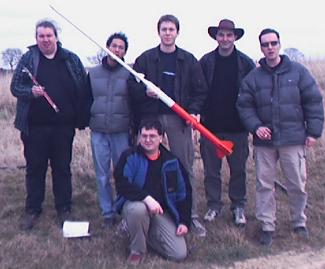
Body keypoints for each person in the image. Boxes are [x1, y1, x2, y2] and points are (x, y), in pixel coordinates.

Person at [237, 28, 324, 246]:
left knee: (296, 183)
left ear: (279, 44)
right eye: (265, 45)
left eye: (273, 43)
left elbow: (313, 101)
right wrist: (256, 127)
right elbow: (244, 106)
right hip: (264, 142)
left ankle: (298, 221)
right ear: (261, 48)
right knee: (264, 184)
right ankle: (267, 225)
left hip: (293, 139)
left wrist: (313, 132)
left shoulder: (298, 72)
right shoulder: (253, 77)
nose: (270, 48)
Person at [127, 14, 208, 237]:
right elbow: (131, 88)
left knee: (184, 167)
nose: (168, 33)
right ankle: (133, 219)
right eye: (164, 29)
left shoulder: (189, 60)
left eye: (171, 29)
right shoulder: (145, 59)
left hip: (178, 120)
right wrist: (144, 92)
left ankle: (189, 217)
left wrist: (192, 111)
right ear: (158, 31)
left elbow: (199, 90)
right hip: (150, 120)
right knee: (141, 167)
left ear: (177, 32)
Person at [10, 19, 91, 230]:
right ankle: (33, 209)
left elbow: (83, 88)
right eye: (41, 36)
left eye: (49, 35)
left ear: (56, 36)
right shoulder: (29, 58)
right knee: (35, 169)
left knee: (62, 168)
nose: (45, 40)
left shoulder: (71, 59)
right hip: (34, 127)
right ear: (36, 38)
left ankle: (64, 208)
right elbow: (15, 87)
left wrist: (80, 117)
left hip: (63, 127)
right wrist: (31, 92)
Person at [199, 19, 255, 226]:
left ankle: (238, 206)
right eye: (221, 35)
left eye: (229, 35)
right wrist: (198, 114)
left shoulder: (246, 63)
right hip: (210, 128)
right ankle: (214, 205)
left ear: (235, 37)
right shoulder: (205, 62)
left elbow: (253, 94)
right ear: (216, 37)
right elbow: (198, 90)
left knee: (238, 170)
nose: (225, 38)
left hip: (238, 128)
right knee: (211, 171)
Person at [114, 119, 191, 266]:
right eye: (144, 136)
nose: (147, 140)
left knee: (179, 254)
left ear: (161, 138)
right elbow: (122, 183)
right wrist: (146, 198)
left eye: (152, 136)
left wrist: (184, 221)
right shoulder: (129, 156)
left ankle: (137, 230)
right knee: (138, 210)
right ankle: (137, 250)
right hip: (136, 204)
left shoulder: (172, 162)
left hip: (161, 212)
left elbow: (184, 193)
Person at [88, 32, 131, 228]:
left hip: (121, 131)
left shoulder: (130, 74)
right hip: (98, 131)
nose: (117, 50)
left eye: (121, 47)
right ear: (107, 47)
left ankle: (123, 208)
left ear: (124, 52)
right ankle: (107, 212)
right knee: (102, 174)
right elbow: (85, 99)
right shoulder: (93, 73)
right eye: (114, 46)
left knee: (122, 173)